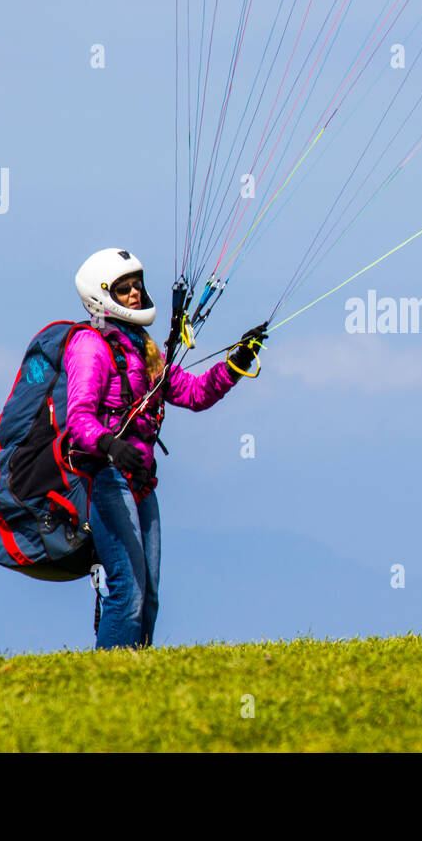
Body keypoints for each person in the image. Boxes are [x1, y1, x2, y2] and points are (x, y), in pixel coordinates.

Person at [66, 248, 266, 650]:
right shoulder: (89, 346)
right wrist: (110, 445)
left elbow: (193, 393)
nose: (136, 293)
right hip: (106, 479)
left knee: (150, 596)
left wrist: (236, 363)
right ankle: (109, 683)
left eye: (137, 284)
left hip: (140, 481)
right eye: (124, 289)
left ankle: (139, 679)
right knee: (128, 591)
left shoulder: (144, 348)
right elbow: (78, 417)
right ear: (102, 297)